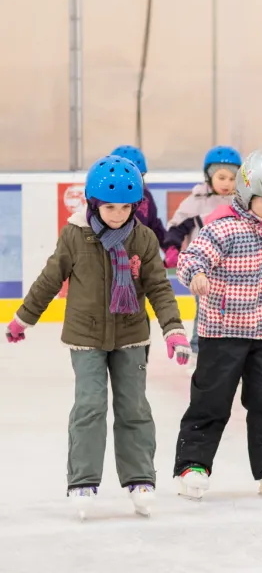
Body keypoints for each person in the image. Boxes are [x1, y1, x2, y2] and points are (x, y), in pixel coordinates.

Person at [6, 154, 189, 519]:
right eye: (110, 207)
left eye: (125, 207)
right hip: (85, 337)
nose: (118, 214)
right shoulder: (76, 235)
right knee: (90, 406)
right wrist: (23, 319)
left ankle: (139, 477)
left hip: (132, 336)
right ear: (94, 203)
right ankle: (83, 481)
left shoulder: (144, 238)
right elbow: (49, 280)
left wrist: (173, 329)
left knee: (134, 406)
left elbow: (159, 288)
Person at [173, 149, 262, 500]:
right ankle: (193, 464)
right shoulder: (223, 228)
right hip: (221, 332)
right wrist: (197, 275)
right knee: (211, 400)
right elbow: (191, 258)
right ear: (247, 194)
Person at [163, 145, 241, 357]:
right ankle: (198, 348)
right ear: (209, 176)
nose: (227, 183)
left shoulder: (242, 201)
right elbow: (177, 227)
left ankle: (234, 350)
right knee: (205, 308)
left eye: (232, 178)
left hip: (235, 269)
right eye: (221, 177)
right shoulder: (197, 201)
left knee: (236, 311)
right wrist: (172, 248)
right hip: (203, 270)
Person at [110, 145, 168, 245]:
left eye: (138, 176)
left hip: (140, 253)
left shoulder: (145, 197)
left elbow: (154, 224)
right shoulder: (105, 198)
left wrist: (168, 246)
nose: (133, 183)